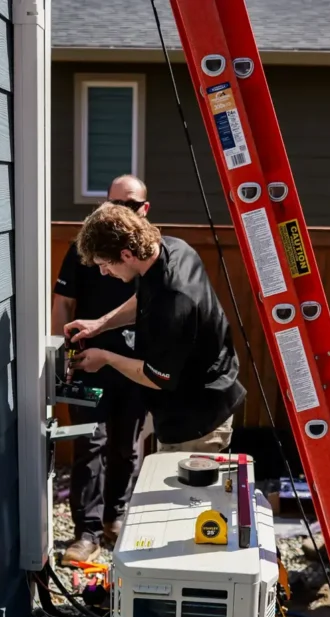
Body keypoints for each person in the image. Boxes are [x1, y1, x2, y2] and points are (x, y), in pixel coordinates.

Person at [65, 201, 246, 458]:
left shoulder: (174, 301)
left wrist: (105, 358)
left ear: (126, 254)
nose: (104, 272)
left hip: (196, 424)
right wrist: (100, 324)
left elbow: (156, 377)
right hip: (197, 400)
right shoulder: (171, 248)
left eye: (105, 264)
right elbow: (144, 297)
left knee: (187, 497)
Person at [53, 175, 149, 564]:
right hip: (88, 362)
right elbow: (63, 301)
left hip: (135, 364)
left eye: (129, 206)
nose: (119, 212)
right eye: (113, 204)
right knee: (89, 445)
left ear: (145, 210)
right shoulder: (85, 247)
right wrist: (60, 353)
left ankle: (116, 517)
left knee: (127, 447)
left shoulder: (148, 254)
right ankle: (87, 532)